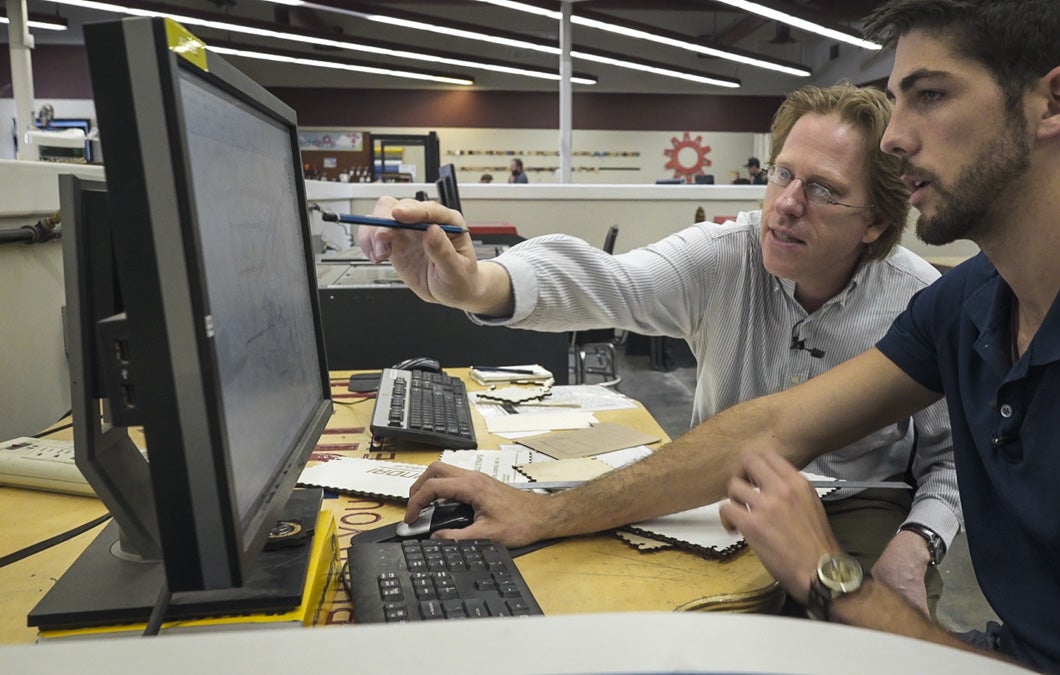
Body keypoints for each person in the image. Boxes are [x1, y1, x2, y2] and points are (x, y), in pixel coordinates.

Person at [707, 2, 1060, 673]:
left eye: (930, 95)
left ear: (1056, 102)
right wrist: (543, 515)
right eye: (895, 101)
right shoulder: (973, 299)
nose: (892, 139)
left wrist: (831, 576)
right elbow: (776, 425)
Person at [357, 84, 962, 616]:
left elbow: (952, 456)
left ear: (876, 223)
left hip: (858, 504)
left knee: (879, 650)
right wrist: (480, 283)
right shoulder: (726, 257)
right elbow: (610, 281)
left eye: (824, 191)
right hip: (722, 492)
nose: (785, 204)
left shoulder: (918, 300)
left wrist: (918, 546)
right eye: (782, 173)